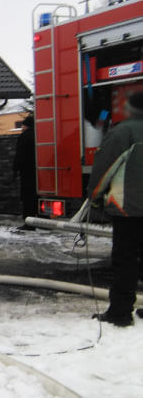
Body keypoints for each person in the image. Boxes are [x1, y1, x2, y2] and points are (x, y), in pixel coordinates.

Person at [87, 91, 143, 327]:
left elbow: (105, 168)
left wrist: (95, 197)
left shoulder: (123, 132)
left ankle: (120, 313)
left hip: (128, 208)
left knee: (126, 260)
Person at [13, 114, 37, 230]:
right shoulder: (38, 136)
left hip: (27, 173)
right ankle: (40, 221)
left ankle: (29, 223)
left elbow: (20, 155)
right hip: (38, 173)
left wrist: (15, 170)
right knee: (35, 197)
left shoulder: (24, 137)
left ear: (25, 126)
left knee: (27, 198)